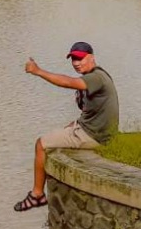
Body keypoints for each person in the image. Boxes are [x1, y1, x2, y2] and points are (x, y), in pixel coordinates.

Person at [13, 41, 119, 212]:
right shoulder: (96, 76)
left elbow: (69, 82)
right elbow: (91, 111)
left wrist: (38, 71)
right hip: (94, 129)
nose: (76, 63)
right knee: (63, 131)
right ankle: (38, 191)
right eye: (73, 59)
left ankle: (37, 195)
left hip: (94, 135)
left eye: (80, 59)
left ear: (91, 57)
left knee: (40, 144)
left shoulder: (96, 77)